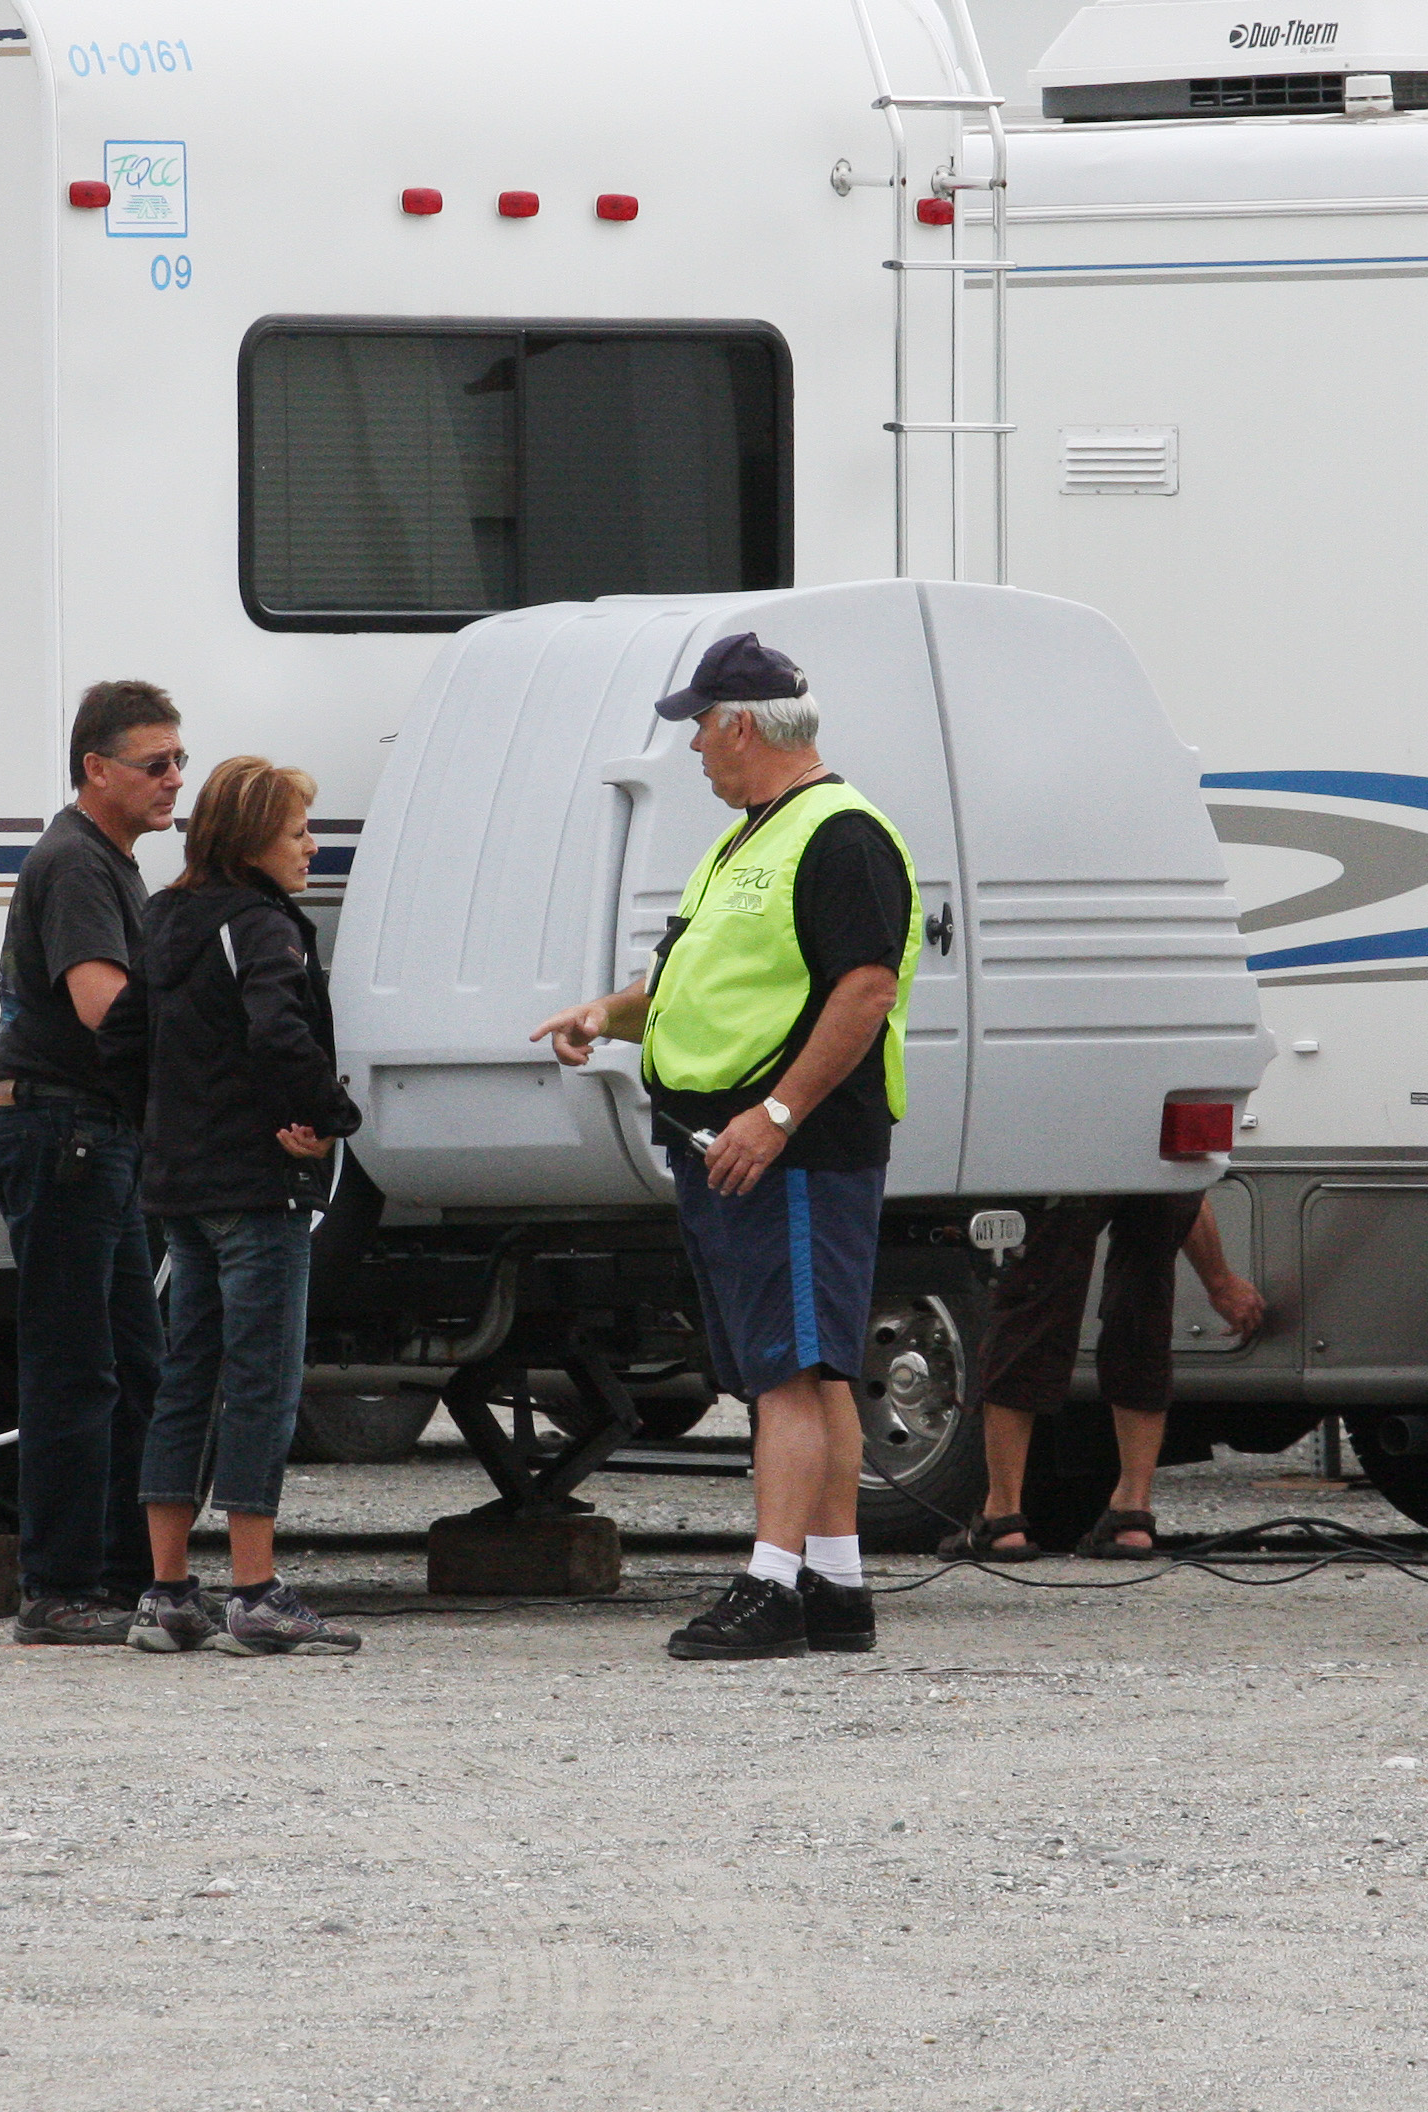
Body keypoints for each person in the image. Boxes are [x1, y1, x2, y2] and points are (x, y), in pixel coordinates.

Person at [532, 633, 919, 1662]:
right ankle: (835, 1586)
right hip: (731, 1144)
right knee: (813, 1370)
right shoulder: (750, 837)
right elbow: (695, 977)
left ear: (742, 723)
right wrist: (605, 1015)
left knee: (787, 1375)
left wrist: (778, 1113)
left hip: (788, 1147)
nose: (695, 746)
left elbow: (866, 988)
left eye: (701, 726)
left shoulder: (841, 834)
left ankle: (771, 1588)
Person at [114, 756, 366, 1656]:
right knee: (262, 1381)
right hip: (257, 1189)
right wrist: (325, 1116)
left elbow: (123, 1039)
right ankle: (256, 1592)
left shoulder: (166, 915)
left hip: (178, 1185)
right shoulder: (264, 926)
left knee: (187, 1378)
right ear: (256, 836)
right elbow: (277, 1030)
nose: (312, 846)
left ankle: (167, 1593)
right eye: (299, 830)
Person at [0, 679, 185, 1646]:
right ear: (96, 768)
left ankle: (122, 1577)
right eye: (155, 764)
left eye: (180, 761)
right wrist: (219, 1064)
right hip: (64, 1135)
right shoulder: (76, 864)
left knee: (134, 1363)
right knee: (76, 1369)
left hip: (96, 1135)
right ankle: (55, 1590)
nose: (173, 780)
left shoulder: (113, 863)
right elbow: (106, 1007)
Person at [948, 1197, 1267, 1559]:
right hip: (1166, 1173)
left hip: (1074, 1167)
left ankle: (1001, 1519)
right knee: (1143, 1311)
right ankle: (1132, 1515)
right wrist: (1218, 1280)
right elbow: (1186, 1183)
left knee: (1032, 1312)